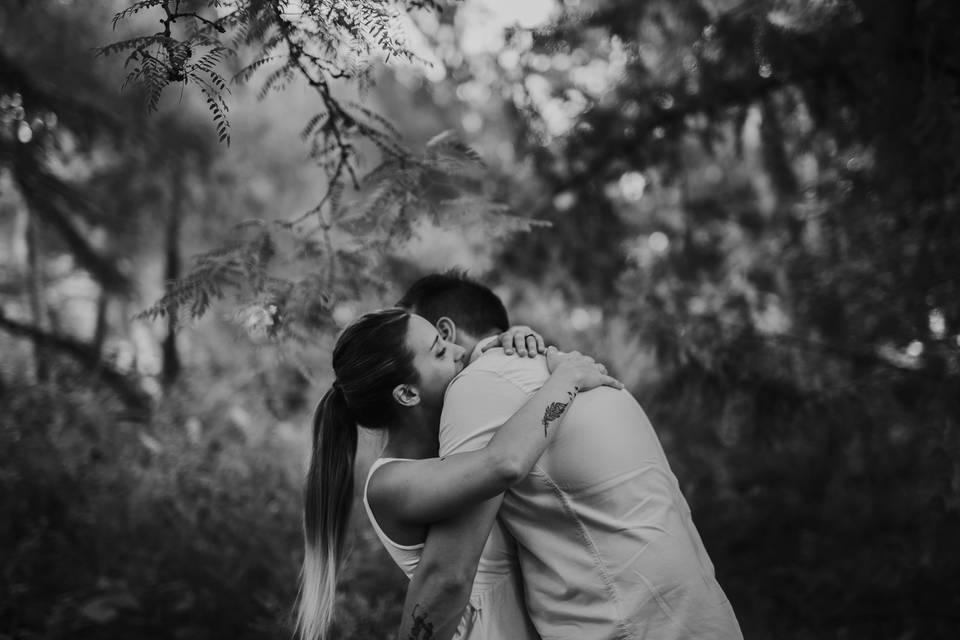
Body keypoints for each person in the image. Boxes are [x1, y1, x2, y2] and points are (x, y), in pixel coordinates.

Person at [396, 271, 743, 640]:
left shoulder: (477, 386)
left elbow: (450, 573)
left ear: (444, 334)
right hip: (703, 619)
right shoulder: (565, 368)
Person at [295, 307, 622, 640]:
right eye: (440, 351)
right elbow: (505, 462)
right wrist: (567, 379)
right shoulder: (388, 484)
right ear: (407, 394)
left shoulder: (451, 445)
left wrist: (509, 345)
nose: (459, 351)